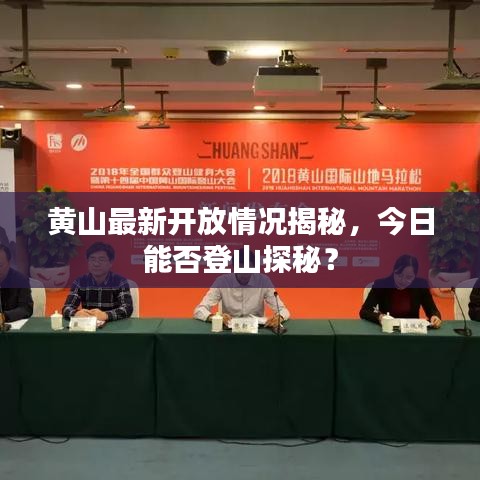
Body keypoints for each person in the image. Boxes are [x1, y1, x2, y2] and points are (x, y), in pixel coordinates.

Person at [194, 249, 290, 328]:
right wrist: (215, 317)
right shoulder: (222, 282)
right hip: (229, 329)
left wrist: (279, 317)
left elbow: (282, 310)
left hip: (256, 329)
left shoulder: (263, 281)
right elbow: (200, 310)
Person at [360, 254, 442, 328]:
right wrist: (380, 317)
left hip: (411, 332)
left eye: (409, 277)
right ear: (394, 271)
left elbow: (432, 310)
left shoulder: (420, 285)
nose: (403, 280)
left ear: (415, 276)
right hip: (388, 331)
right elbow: (365, 311)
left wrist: (434, 317)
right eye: (399, 275)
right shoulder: (381, 285)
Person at [62, 242, 133, 328]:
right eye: (92, 259)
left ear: (110, 262)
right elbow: (67, 308)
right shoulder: (80, 281)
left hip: (114, 327)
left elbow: (127, 308)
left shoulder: (120, 281)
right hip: (88, 328)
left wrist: (106, 315)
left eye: (101, 260)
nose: (96, 264)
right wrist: (76, 313)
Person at [0, 244, 33, 323]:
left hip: (11, 324)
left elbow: (26, 308)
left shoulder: (20, 280)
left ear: (9, 263)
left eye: (0, 265)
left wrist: (4, 316)